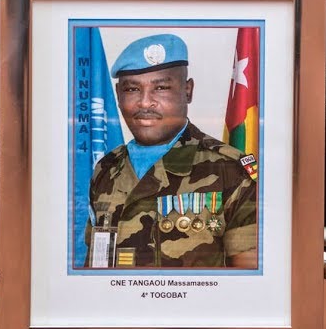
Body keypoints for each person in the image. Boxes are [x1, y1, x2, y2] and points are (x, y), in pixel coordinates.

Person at [86, 34, 259, 268]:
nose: (145, 103)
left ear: (188, 90)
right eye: (132, 89)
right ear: (118, 95)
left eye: (161, 87)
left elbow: (250, 284)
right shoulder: (105, 169)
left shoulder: (231, 170)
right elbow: (94, 269)